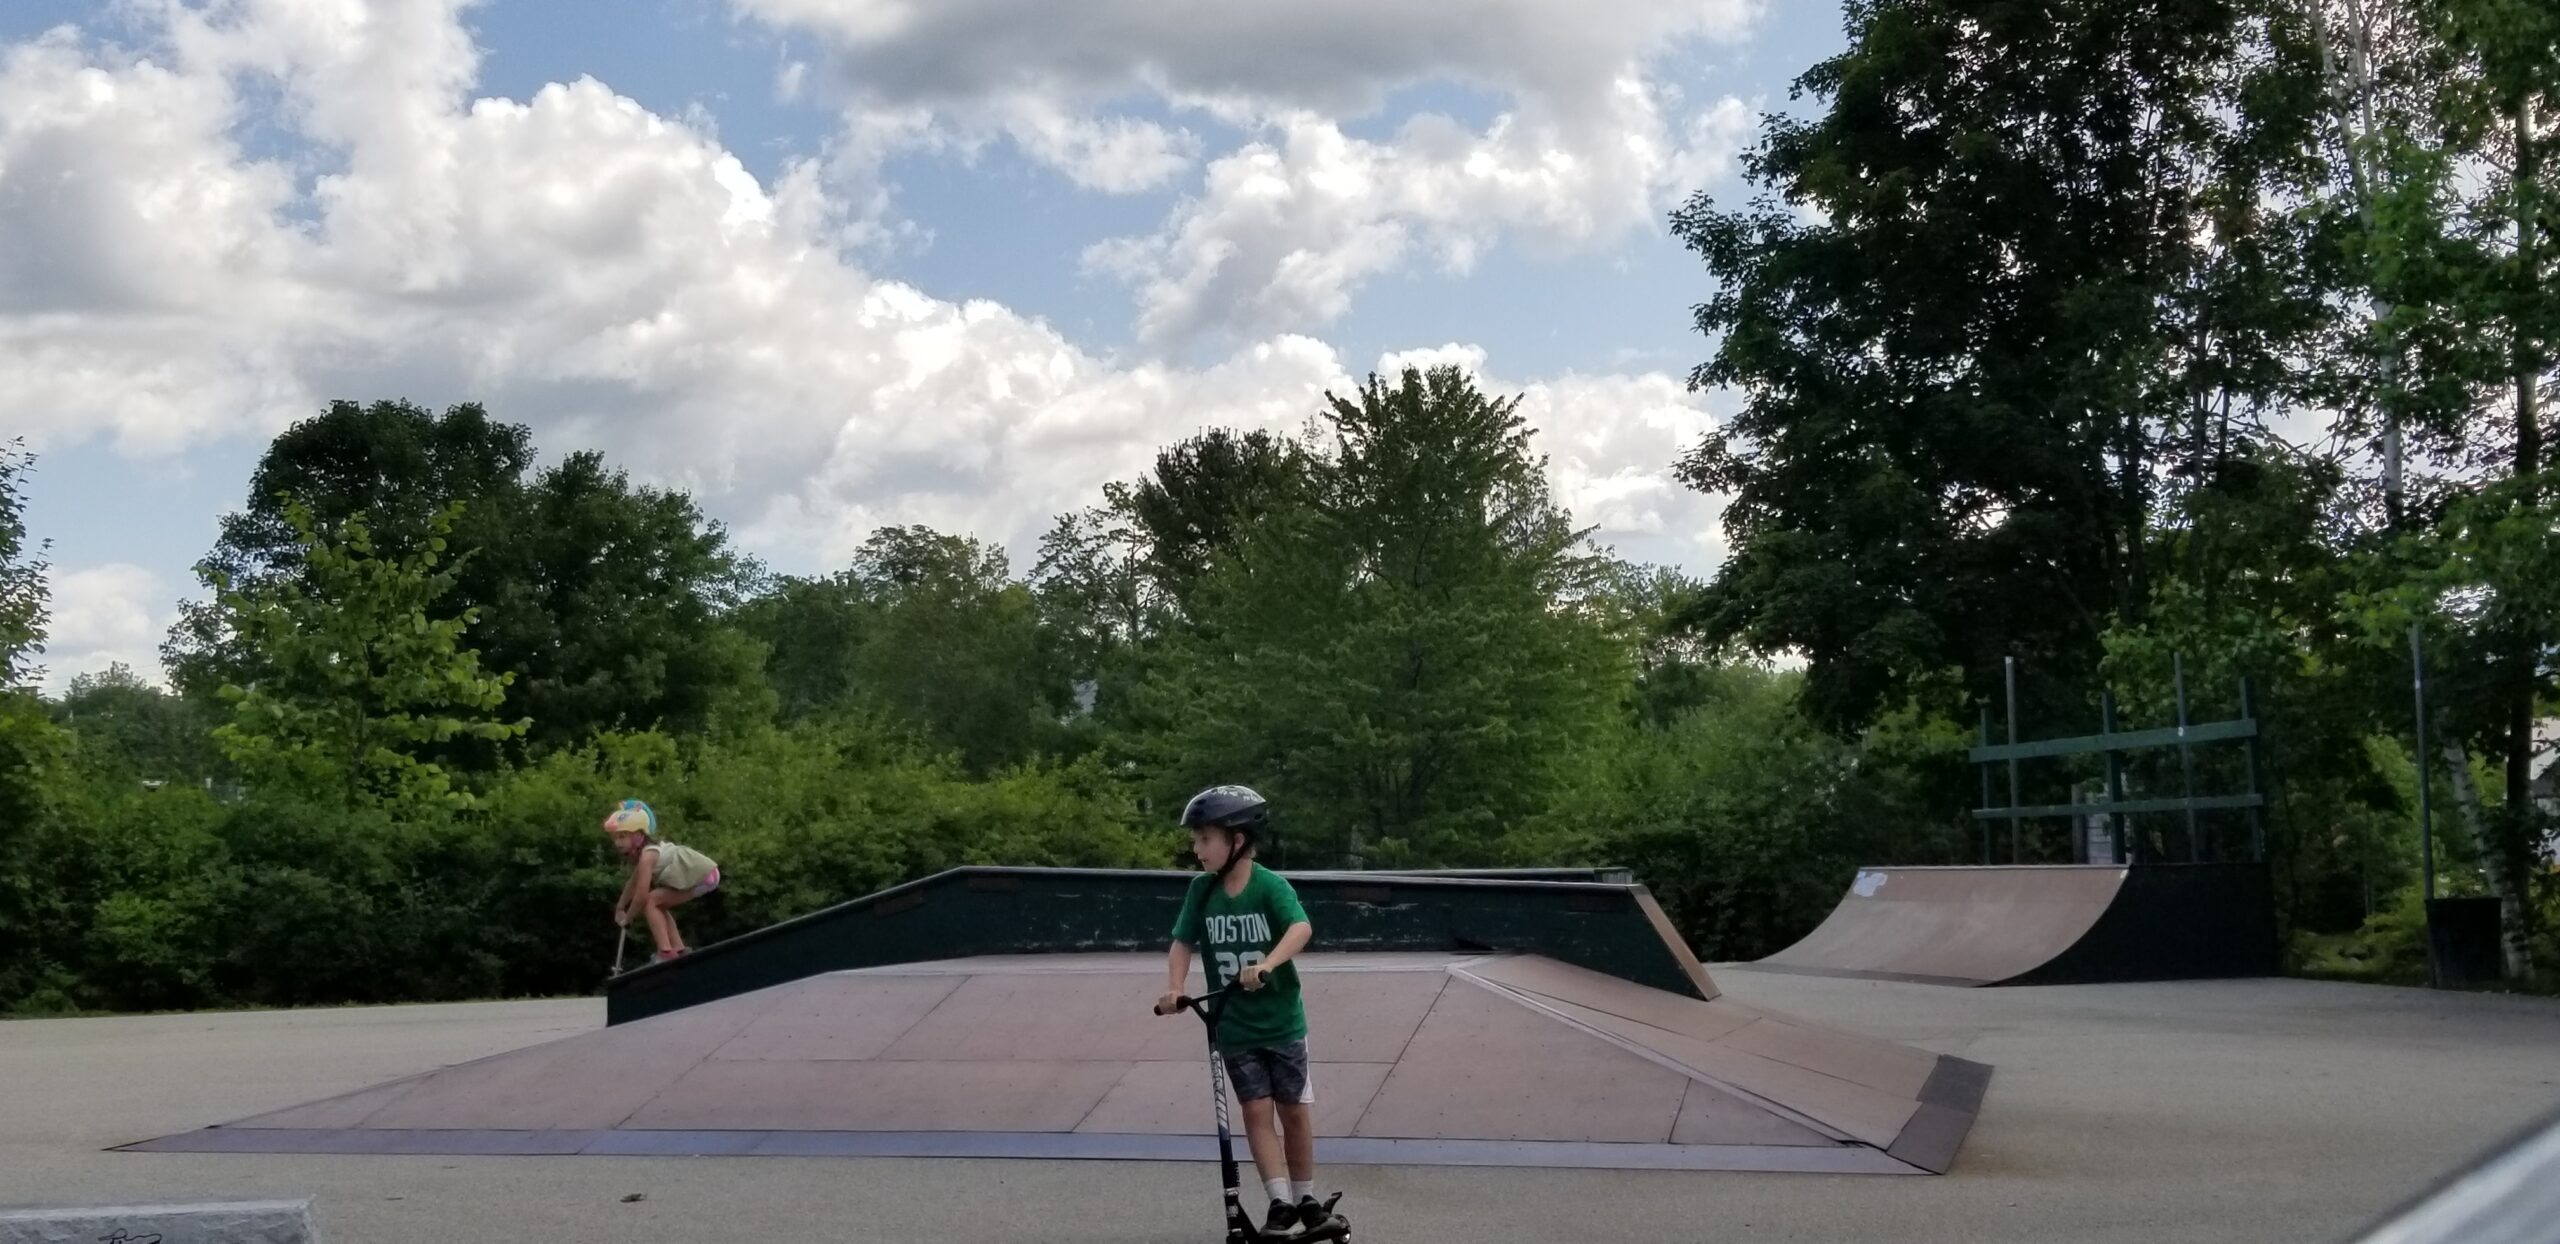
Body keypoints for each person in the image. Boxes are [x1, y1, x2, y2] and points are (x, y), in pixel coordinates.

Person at [1157, 784, 1335, 1236]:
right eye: (1196, 840)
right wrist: (1176, 990)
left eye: (1205, 839)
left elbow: (1301, 927)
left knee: (1293, 1109)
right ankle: (1279, 1201)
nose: (1197, 850)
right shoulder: (1201, 891)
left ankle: (1306, 1196)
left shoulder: (1270, 886)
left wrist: (1269, 964)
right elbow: (1182, 942)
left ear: (1236, 841)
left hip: (1282, 1022)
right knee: (1255, 1112)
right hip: (1233, 1025)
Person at [602, 799, 720, 963]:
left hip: (705, 876)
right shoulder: (645, 856)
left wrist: (628, 918)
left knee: (651, 900)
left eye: (622, 836)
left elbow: (641, 895)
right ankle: (678, 949)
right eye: (616, 837)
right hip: (703, 875)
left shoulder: (647, 857)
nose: (617, 842)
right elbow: (632, 884)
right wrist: (620, 907)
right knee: (658, 903)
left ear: (638, 835)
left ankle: (665, 951)